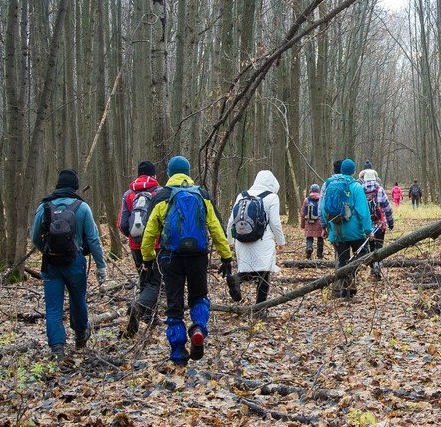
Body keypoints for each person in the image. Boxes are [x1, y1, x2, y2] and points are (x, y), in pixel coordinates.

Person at [139, 156, 233, 366]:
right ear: (188, 172)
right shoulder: (201, 195)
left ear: (170, 173)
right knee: (199, 296)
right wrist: (226, 256)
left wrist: (147, 259)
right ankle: (198, 327)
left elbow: (149, 233)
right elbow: (216, 228)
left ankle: (178, 352)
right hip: (198, 257)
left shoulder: (161, 196)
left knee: (174, 305)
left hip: (170, 257)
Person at [30, 169, 107, 360]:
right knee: (78, 299)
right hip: (75, 262)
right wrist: (101, 265)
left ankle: (57, 348)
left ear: (58, 185)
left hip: (51, 263)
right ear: (75, 187)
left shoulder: (44, 206)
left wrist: (45, 250)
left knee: (53, 307)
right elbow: (94, 239)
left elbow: (33, 237)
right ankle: (80, 335)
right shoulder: (82, 207)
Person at [225, 170, 286, 306]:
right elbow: (275, 223)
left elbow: (231, 221)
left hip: (241, 240)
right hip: (262, 241)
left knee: (249, 269)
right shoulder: (272, 197)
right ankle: (259, 308)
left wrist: (230, 241)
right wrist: (281, 242)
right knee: (263, 274)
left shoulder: (242, 195)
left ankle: (236, 279)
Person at [117, 160, 163, 337]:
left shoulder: (128, 194)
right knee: (156, 282)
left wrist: (132, 236)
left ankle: (150, 317)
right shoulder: (159, 192)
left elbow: (121, 223)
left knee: (144, 277)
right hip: (157, 244)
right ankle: (139, 307)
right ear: (154, 175)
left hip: (136, 245)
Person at [320, 158, 373, 298]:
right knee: (363, 256)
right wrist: (368, 231)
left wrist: (325, 226)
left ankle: (341, 290)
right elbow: (363, 211)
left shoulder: (328, 184)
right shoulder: (356, 186)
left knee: (342, 260)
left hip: (337, 230)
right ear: (354, 171)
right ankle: (350, 284)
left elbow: (323, 207)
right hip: (355, 232)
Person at [363, 179, 394, 279]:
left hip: (367, 225)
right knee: (379, 247)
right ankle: (378, 267)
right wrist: (390, 223)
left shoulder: (360, 190)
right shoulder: (379, 190)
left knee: (371, 247)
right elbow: (387, 208)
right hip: (380, 224)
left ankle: (373, 267)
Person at [301, 184, 325, 259]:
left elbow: (303, 213)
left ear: (310, 190)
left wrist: (302, 224)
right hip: (319, 222)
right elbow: (323, 211)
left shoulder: (306, 200)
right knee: (320, 239)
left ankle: (309, 249)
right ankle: (320, 255)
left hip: (309, 222)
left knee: (309, 238)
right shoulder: (321, 199)